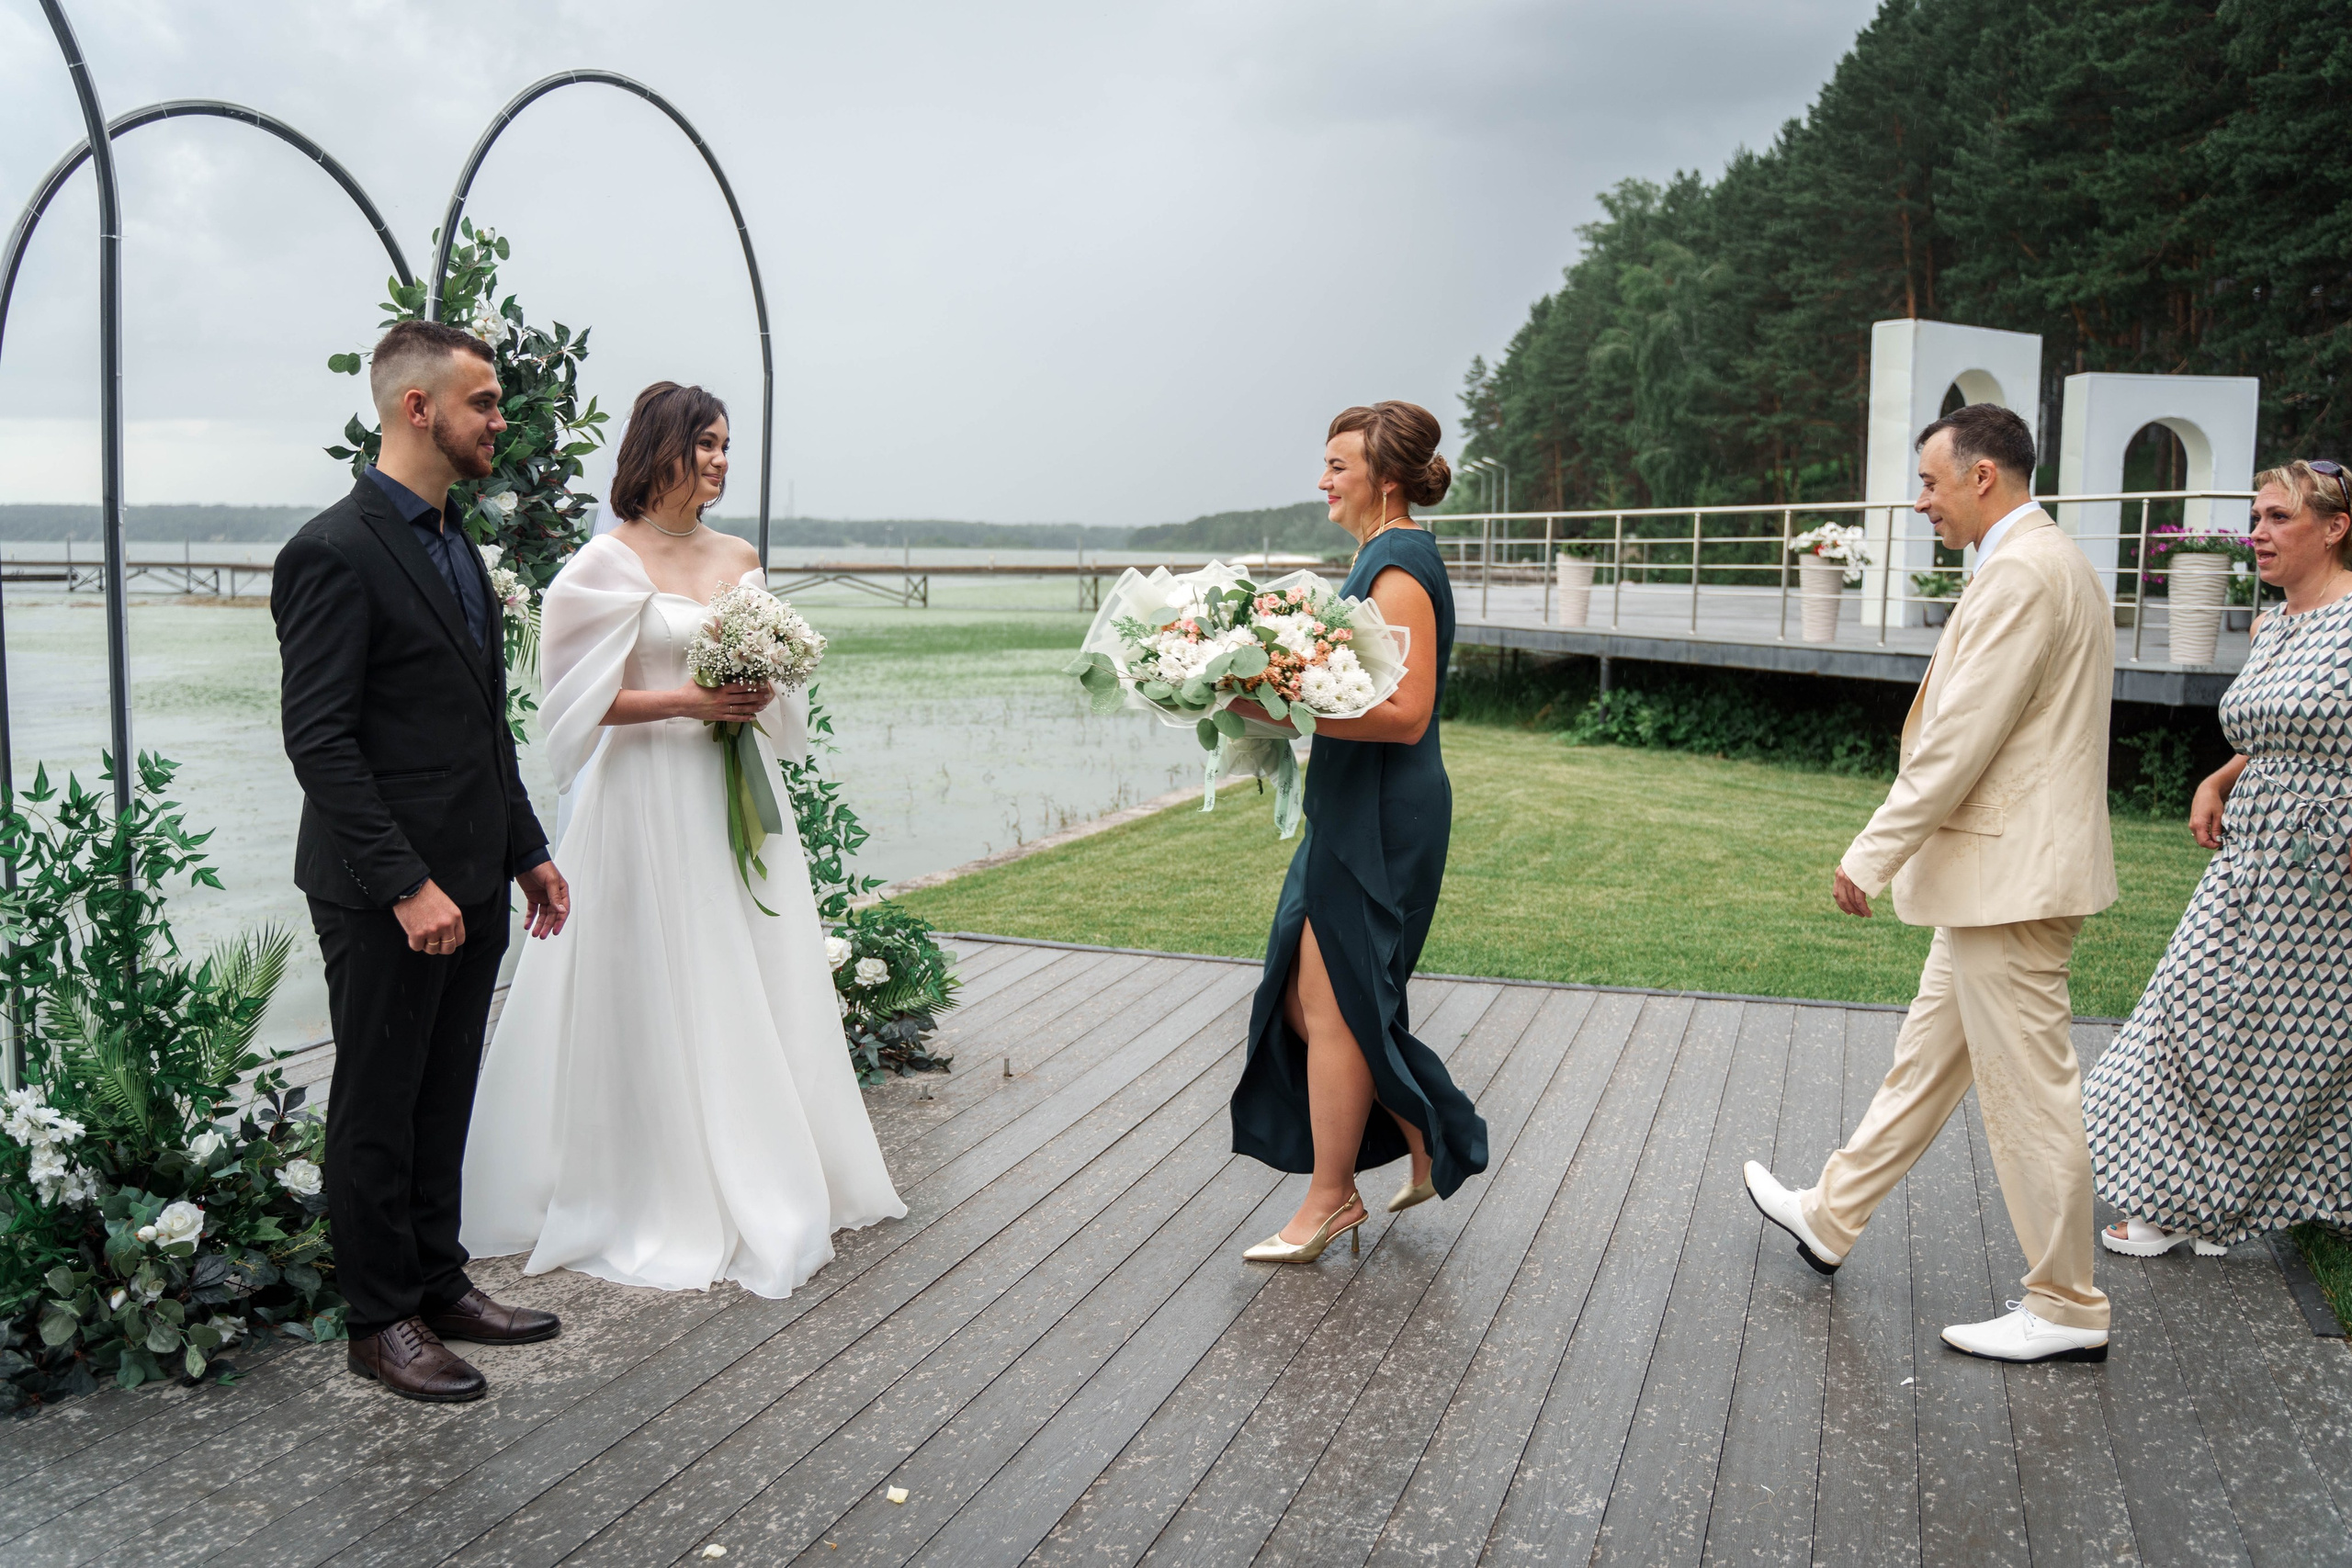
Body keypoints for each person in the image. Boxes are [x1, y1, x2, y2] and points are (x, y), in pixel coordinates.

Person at [460, 381, 905, 1297]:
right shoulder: (602, 565)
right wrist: (692, 700)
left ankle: (769, 1155)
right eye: (705, 443)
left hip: (730, 788)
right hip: (644, 797)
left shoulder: (739, 556)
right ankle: (650, 1178)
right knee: (658, 971)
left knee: (748, 962)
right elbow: (578, 706)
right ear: (660, 448)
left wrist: (761, 689)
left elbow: (777, 677)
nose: (719, 461)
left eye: (727, 446)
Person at [1744, 402, 2120, 1363]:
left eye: (1929, 483)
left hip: (2011, 881)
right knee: (1925, 1059)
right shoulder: (2046, 562)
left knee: (2029, 1093)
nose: (1920, 503)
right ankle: (1831, 1215)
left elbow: (1960, 740)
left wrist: (1871, 851)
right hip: (2003, 877)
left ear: (1981, 476)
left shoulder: (2024, 573)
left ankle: (2066, 1306)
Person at [274, 320, 573, 1403]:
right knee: (377, 1099)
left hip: (475, 877)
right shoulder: (332, 549)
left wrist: (527, 850)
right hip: (383, 892)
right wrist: (406, 885)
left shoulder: (455, 545)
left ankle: (439, 1282)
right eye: (485, 402)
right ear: (418, 409)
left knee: (446, 1089)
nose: (501, 420)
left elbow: (479, 725)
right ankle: (378, 1320)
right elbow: (320, 739)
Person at [1225, 401, 1487, 1262]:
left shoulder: (1400, 562)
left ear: (1385, 476)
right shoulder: (1376, 557)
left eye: (1339, 465)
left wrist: (1278, 705)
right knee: (1314, 1003)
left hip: (1384, 814)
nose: (1323, 479)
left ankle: (1331, 1197)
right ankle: (1421, 1132)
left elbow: (1406, 714)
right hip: (1350, 807)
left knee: (1332, 1005)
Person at [2086, 460, 2352, 1256]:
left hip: (2328, 863)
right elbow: (2273, 726)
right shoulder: (2274, 623)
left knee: (2294, 1038)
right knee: (2196, 1013)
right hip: (2255, 849)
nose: (2257, 534)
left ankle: (2195, 1203)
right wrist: (2221, 774)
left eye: (2277, 518)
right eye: (2256, 517)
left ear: (2335, 527)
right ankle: (2196, 1195)